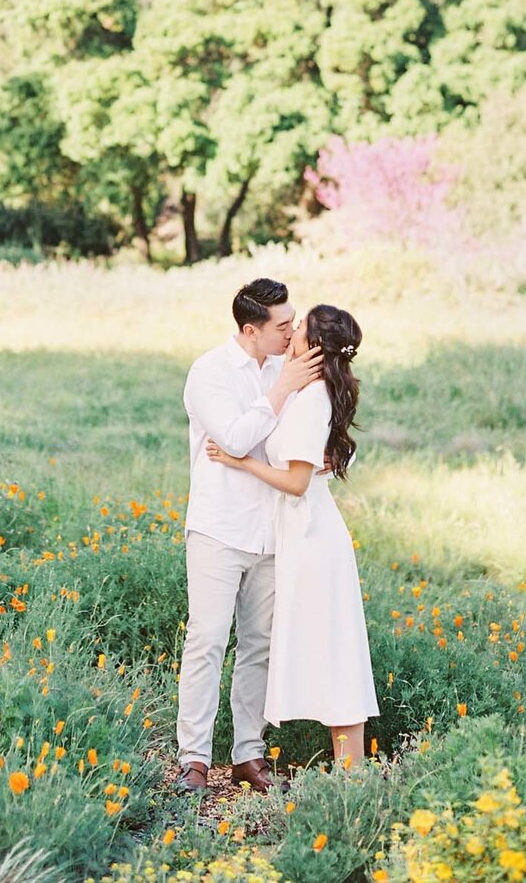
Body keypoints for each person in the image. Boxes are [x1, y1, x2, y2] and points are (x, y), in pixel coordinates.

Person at [206, 303, 378, 766]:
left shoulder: (312, 396)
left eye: (298, 326)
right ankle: (349, 769)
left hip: (311, 537)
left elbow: (298, 482)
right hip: (305, 535)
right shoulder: (310, 389)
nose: (291, 331)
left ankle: (352, 772)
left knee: (333, 645)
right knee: (328, 644)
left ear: (313, 346)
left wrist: (240, 461)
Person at [175, 278, 324, 795]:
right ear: (250, 329)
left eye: (293, 321)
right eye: (282, 325)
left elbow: (312, 433)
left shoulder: (293, 367)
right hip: (220, 527)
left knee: (259, 645)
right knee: (207, 641)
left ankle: (248, 754)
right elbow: (235, 438)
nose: (291, 332)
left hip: (274, 529)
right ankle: (193, 756)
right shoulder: (209, 373)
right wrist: (281, 389)